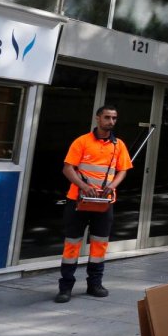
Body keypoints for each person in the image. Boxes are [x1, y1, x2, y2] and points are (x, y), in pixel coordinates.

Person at [55, 105, 133, 303]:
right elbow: (67, 168)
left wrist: (112, 186)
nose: (111, 121)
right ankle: (65, 288)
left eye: (114, 118)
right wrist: (83, 186)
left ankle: (95, 284)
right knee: (72, 244)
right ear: (98, 118)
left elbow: (123, 170)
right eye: (107, 117)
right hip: (78, 201)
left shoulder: (118, 145)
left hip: (104, 203)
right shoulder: (82, 141)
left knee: (99, 244)